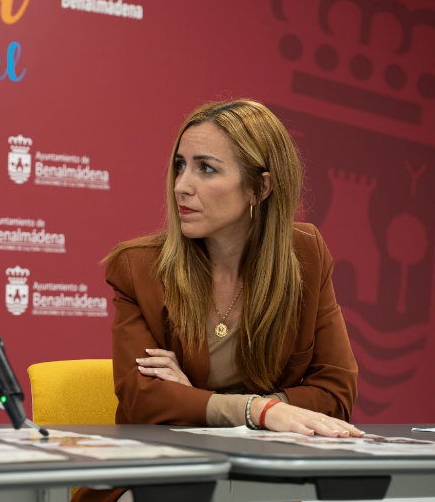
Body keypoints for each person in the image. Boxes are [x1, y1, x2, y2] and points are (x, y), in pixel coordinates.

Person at [74, 99, 360, 502]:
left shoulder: (306, 254)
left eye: (205, 168)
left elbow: (335, 391)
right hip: (160, 475)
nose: (181, 185)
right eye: (179, 165)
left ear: (260, 187)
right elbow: (144, 400)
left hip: (262, 474)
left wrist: (203, 400)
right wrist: (261, 411)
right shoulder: (138, 266)